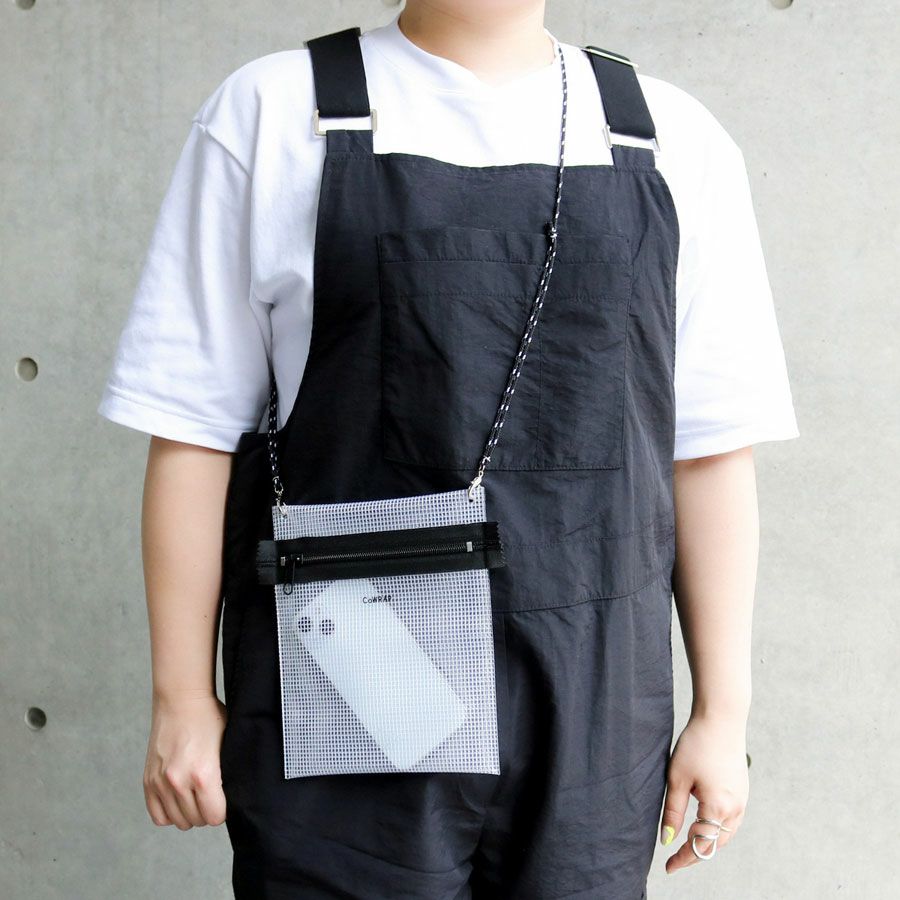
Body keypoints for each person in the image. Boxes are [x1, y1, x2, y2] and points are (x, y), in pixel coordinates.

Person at [97, 1, 800, 897]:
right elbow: (191, 429)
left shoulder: (670, 138)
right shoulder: (272, 113)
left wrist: (722, 712)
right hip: (352, 676)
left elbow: (707, 451)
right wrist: (181, 698)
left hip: (595, 701)